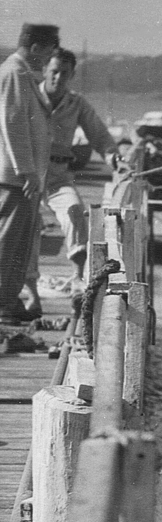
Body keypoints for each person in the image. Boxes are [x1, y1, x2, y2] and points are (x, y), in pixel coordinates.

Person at [22, 46, 119, 315]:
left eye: (64, 73)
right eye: (53, 72)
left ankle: (78, 280)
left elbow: (99, 134)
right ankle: (32, 296)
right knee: (28, 230)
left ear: (71, 75)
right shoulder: (28, 98)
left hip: (57, 176)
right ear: (44, 71)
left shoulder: (77, 104)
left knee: (75, 210)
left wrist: (113, 157)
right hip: (28, 176)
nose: (58, 78)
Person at [0, 23, 58, 323]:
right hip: (15, 178)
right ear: (35, 48)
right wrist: (26, 170)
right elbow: (12, 124)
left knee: (19, 243)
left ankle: (9, 301)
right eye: (47, 54)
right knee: (8, 241)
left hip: (23, 177)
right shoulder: (14, 73)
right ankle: (2, 304)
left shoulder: (22, 74)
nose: (48, 61)